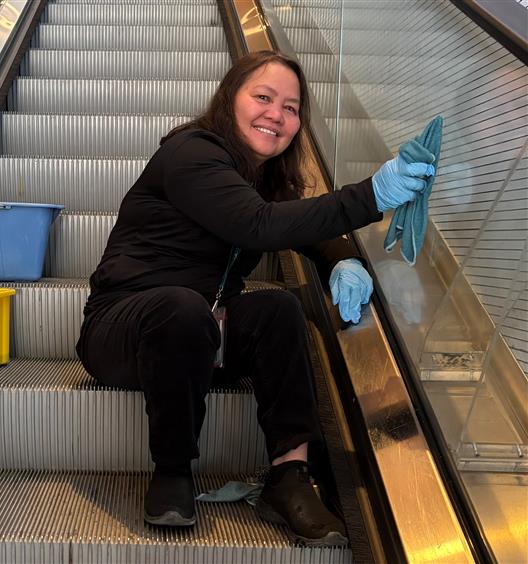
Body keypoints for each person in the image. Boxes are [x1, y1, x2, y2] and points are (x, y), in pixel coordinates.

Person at [75, 51, 435, 547]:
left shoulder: (262, 179)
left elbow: (296, 221)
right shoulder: (190, 153)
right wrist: (373, 193)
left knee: (280, 307)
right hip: (123, 330)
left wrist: (339, 261)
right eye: (263, 97)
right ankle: (173, 470)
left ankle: (289, 477)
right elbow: (258, 225)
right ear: (230, 99)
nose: (277, 114)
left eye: (291, 108)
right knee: (181, 307)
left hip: (204, 332)